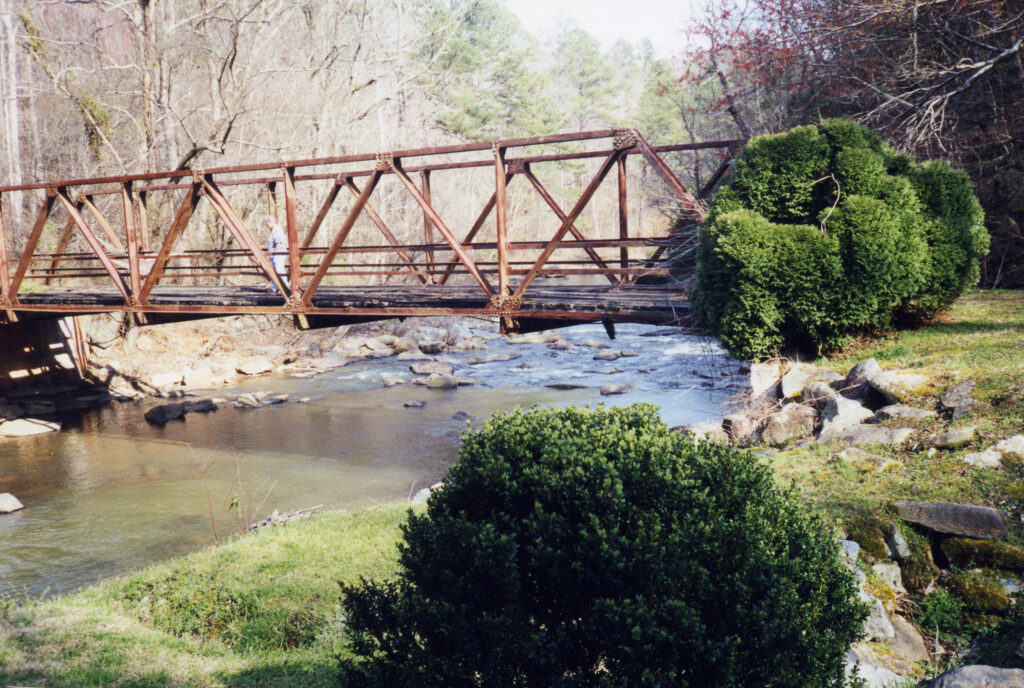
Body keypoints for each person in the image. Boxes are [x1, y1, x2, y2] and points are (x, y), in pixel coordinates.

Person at [263, 215, 289, 289]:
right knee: (275, 271)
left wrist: (274, 253)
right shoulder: (274, 230)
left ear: (270, 222)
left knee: (279, 270)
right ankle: (276, 287)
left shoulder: (277, 230)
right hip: (276, 254)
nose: (267, 225)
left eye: (267, 223)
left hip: (278, 254)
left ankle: (285, 287)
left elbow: (279, 243)